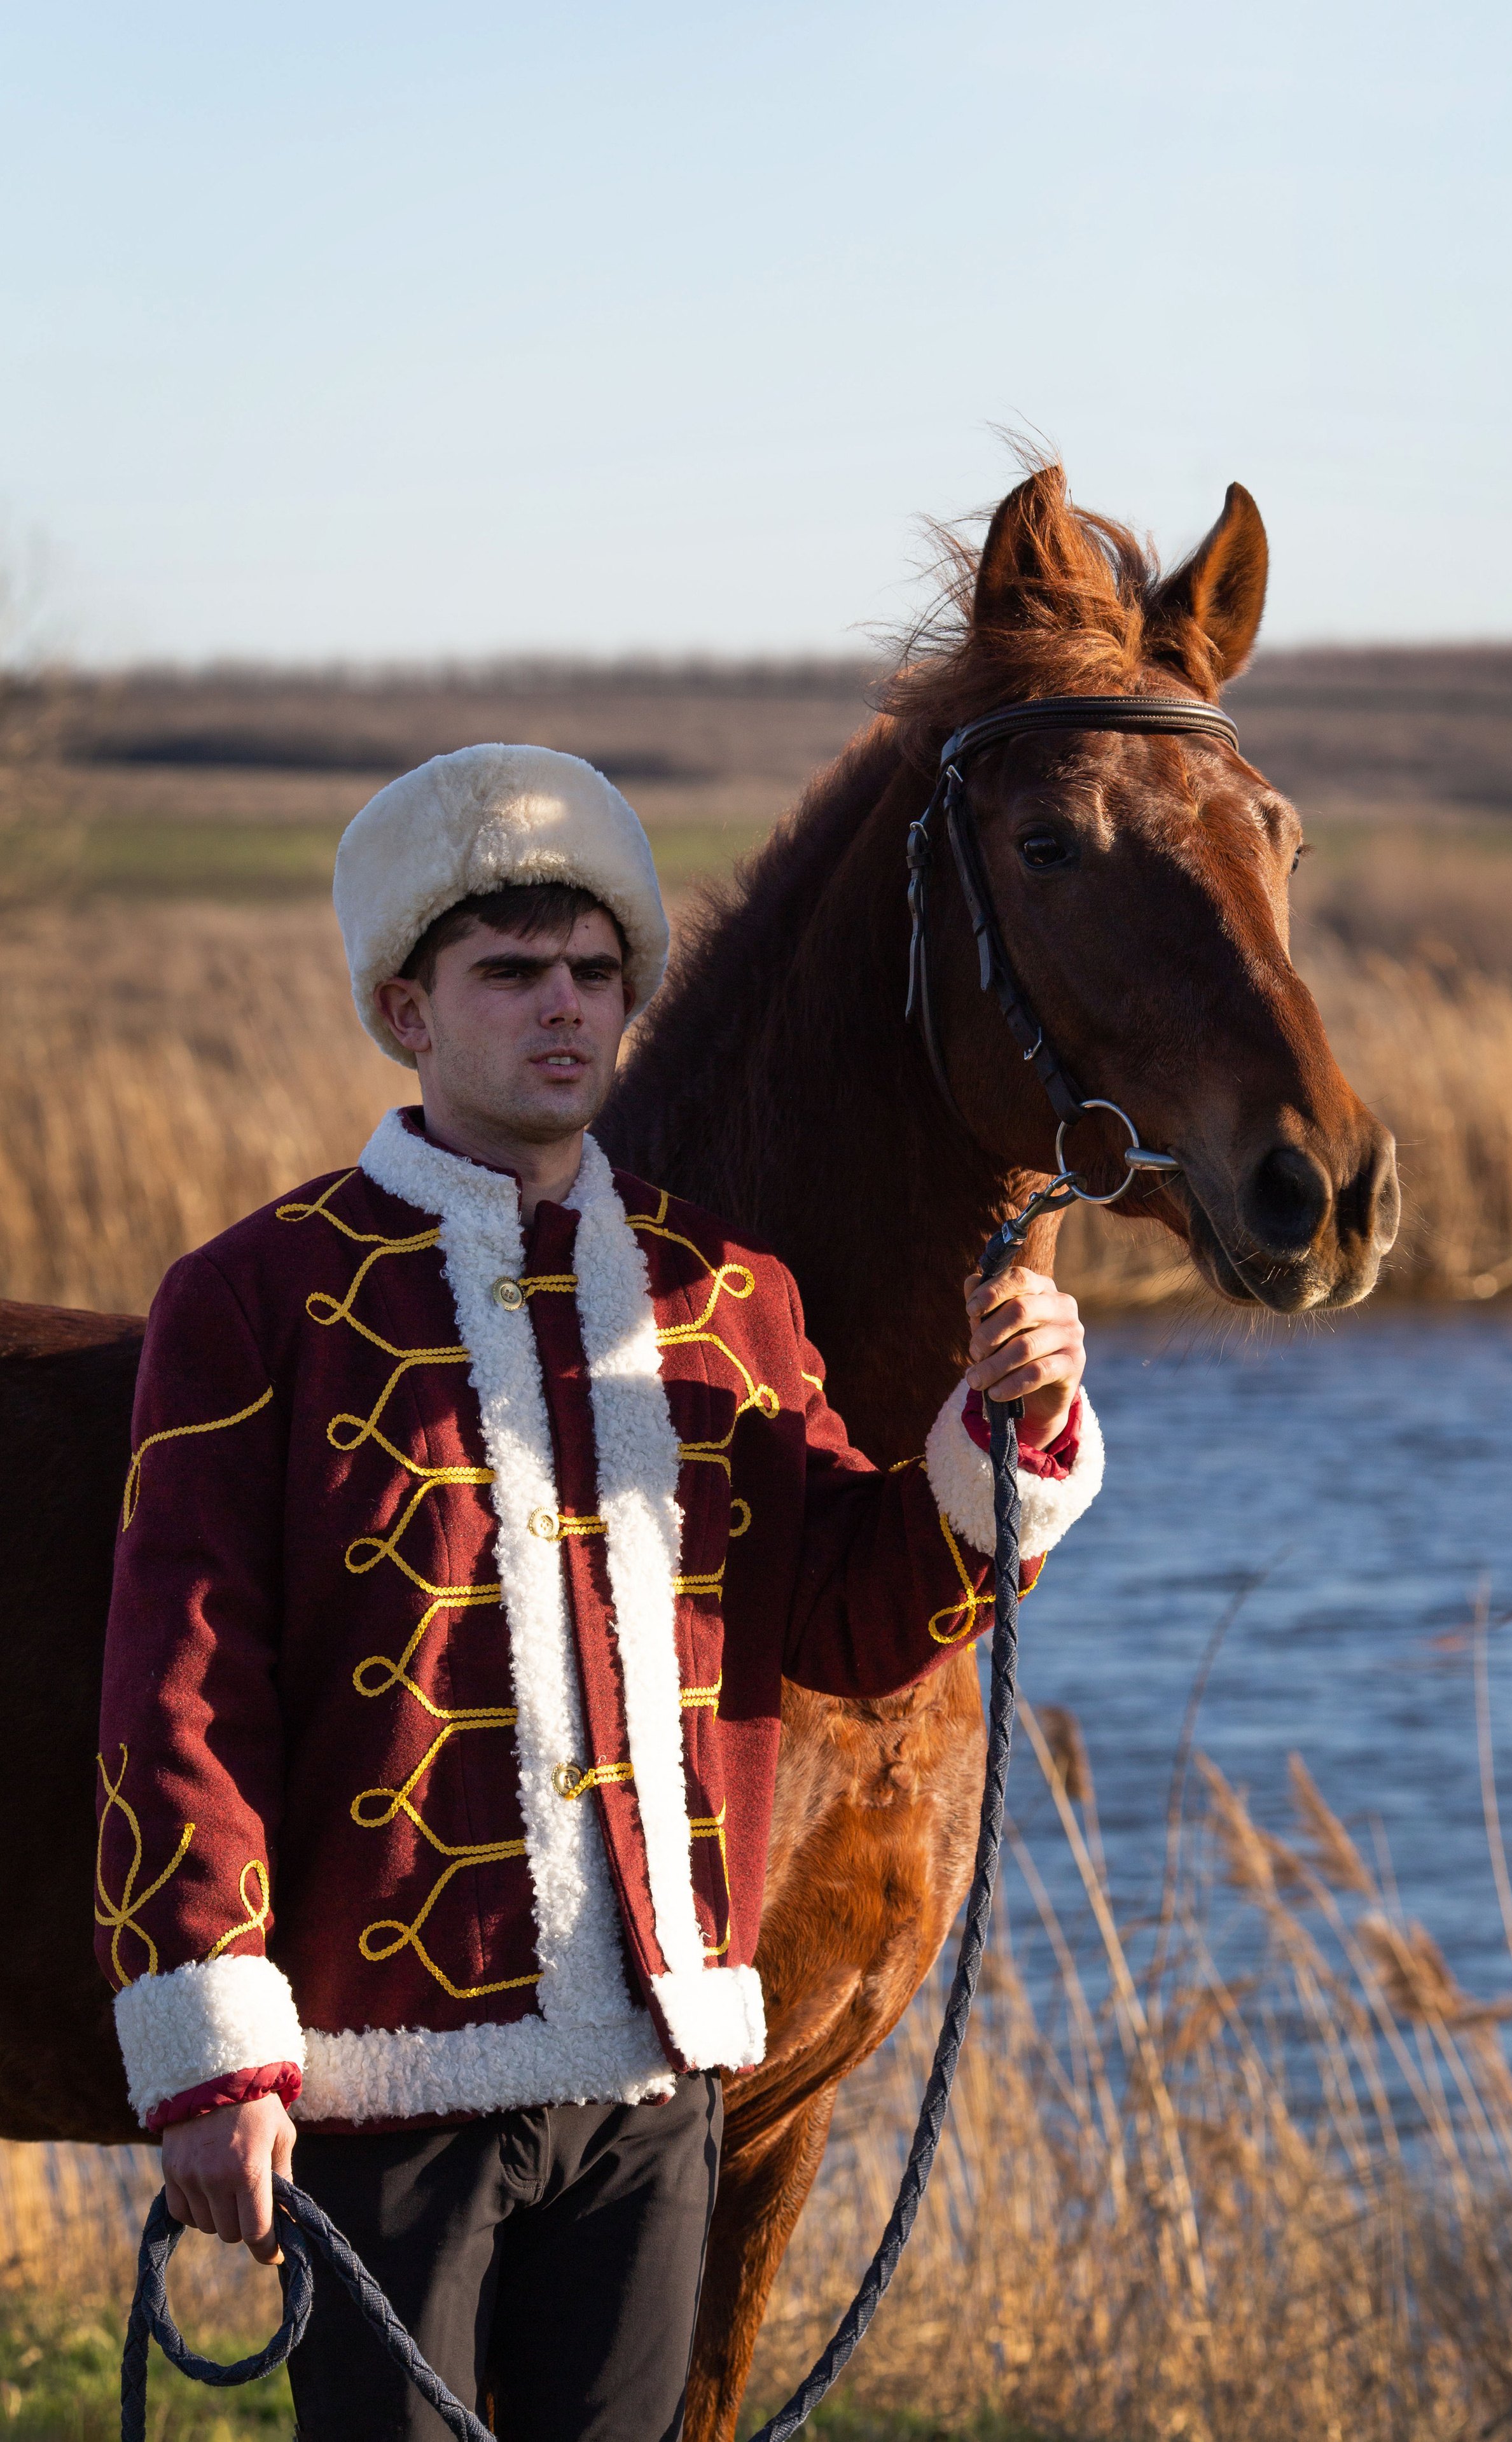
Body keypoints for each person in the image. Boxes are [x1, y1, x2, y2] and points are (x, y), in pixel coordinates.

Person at [95, 744, 1100, 2441]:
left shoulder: (731, 1295)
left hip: (654, 2074)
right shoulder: (259, 1297)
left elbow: (843, 1614)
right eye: (509, 976)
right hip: (390, 2080)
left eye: (592, 974)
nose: (563, 1009)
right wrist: (212, 2046)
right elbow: (182, 1688)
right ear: (405, 1011)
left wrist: (1007, 1436)